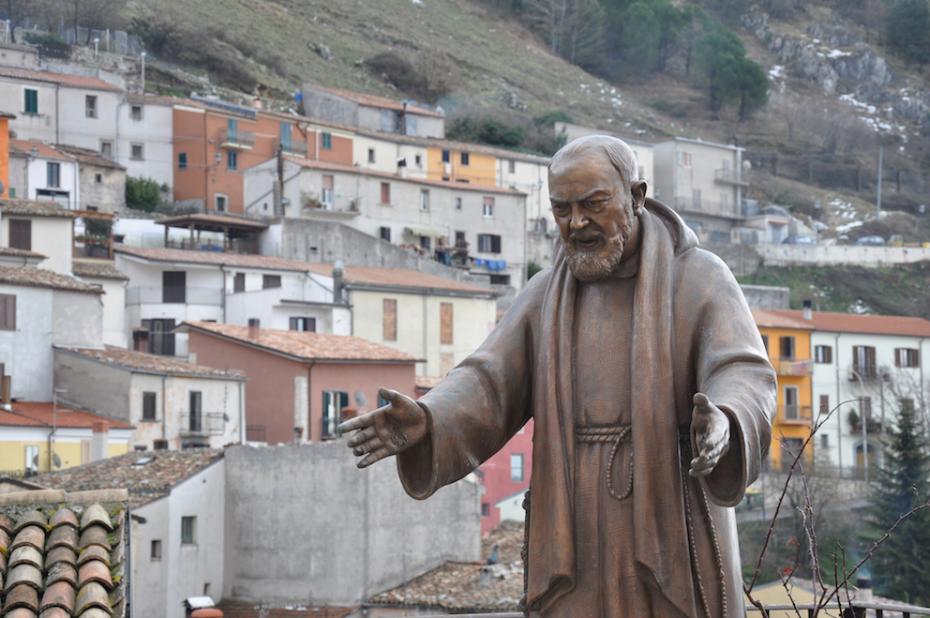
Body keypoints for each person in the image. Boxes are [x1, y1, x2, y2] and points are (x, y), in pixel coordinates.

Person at [339, 135, 775, 617]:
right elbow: (488, 381)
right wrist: (430, 420)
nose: (577, 223)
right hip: (571, 515)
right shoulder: (544, 295)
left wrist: (725, 422)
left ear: (636, 196)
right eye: (562, 209)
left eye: (593, 204)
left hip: (670, 507)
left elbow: (742, 370)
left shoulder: (697, 278)